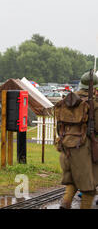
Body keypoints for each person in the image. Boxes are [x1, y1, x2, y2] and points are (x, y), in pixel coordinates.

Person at [56, 71, 98, 209]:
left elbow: (59, 126)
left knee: (73, 180)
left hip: (65, 147)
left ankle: (65, 203)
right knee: (89, 189)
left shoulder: (66, 102)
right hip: (85, 150)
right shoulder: (93, 104)